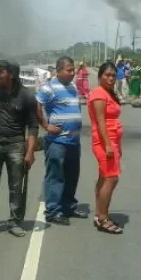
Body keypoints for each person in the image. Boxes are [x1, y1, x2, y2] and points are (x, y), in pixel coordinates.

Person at [0, 58, 39, 239]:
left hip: (15, 145)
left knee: (15, 187)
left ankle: (14, 222)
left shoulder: (26, 95)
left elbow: (33, 125)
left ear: (11, 75)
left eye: (1, 72)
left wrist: (29, 152)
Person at [36, 56, 88, 225]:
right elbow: (36, 104)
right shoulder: (50, 88)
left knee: (72, 175)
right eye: (69, 70)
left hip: (74, 141)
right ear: (58, 71)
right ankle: (53, 210)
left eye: (73, 70)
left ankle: (68, 207)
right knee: (56, 176)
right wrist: (45, 125)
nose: (72, 73)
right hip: (57, 142)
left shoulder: (73, 87)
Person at [88, 61, 124, 234]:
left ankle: (100, 214)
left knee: (104, 177)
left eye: (113, 75)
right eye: (107, 75)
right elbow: (101, 120)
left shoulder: (108, 93)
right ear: (100, 76)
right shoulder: (98, 94)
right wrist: (109, 145)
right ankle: (103, 218)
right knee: (111, 178)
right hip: (104, 141)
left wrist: (117, 146)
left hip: (112, 141)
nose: (110, 78)